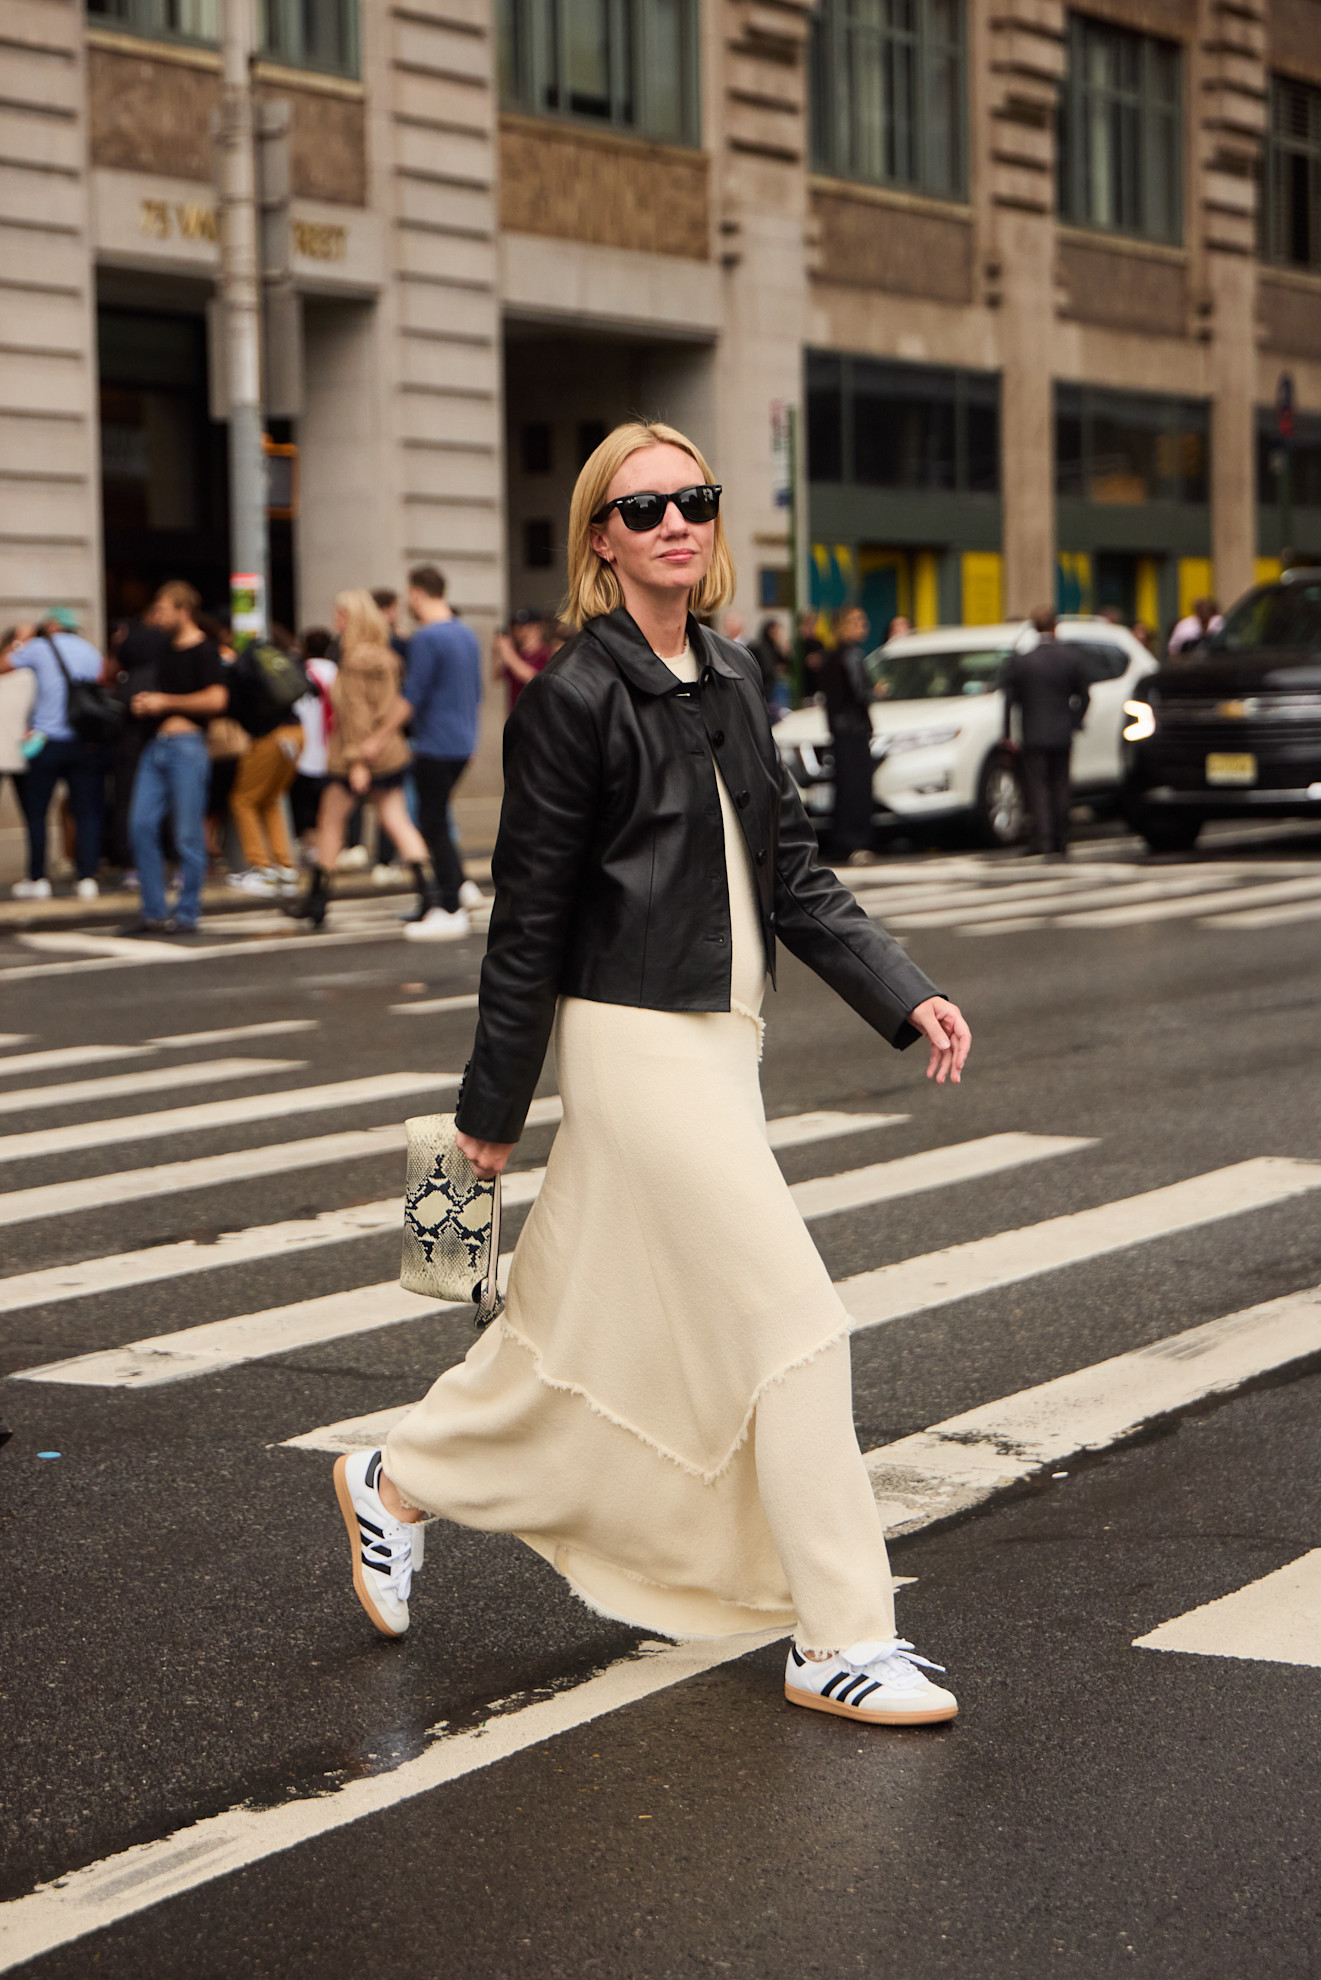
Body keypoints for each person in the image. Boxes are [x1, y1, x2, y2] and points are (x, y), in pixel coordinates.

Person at [332, 419, 972, 1729]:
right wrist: (488, 1117)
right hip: (631, 1045)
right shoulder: (571, 698)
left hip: (722, 1047)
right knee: (796, 1324)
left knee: (575, 1340)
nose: (674, 522)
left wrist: (902, 992)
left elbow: (789, 873)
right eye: (642, 509)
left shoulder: (733, 674)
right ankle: (838, 1634)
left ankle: (393, 1479)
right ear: (600, 543)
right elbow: (529, 919)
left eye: (693, 500)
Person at [284, 590, 444, 931]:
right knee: (396, 819)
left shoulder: (355, 659)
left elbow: (356, 714)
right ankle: (428, 893)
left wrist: (357, 761)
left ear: (352, 618)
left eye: (340, 615)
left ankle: (317, 900)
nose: (336, 621)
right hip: (387, 752)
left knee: (331, 822)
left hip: (355, 753)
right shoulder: (385, 657)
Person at [121, 581, 228, 934]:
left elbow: (216, 700)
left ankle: (186, 913)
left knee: (187, 834)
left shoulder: (206, 650)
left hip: (187, 746)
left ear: (183, 610)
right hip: (157, 745)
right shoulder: (163, 648)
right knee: (140, 825)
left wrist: (165, 702)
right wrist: (148, 703)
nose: (158, 616)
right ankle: (153, 910)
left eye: (164, 609)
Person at [0, 607, 107, 901]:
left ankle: (38, 878)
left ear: (52, 625)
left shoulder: (39, 647)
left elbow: (4, 665)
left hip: (47, 741)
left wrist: (20, 640)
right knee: (87, 813)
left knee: (37, 814)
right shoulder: (90, 650)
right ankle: (86, 877)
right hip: (84, 743)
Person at [401, 563, 483, 940]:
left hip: (433, 742)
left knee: (431, 822)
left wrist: (378, 735)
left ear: (417, 592)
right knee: (438, 819)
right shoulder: (466, 635)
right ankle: (458, 889)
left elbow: (412, 696)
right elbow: (477, 691)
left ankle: (449, 904)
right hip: (462, 741)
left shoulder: (427, 638)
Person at [1000, 606, 1091, 857]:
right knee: (1061, 784)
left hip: (1034, 732)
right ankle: (1062, 838)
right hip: (1062, 731)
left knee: (1038, 786)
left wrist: (1007, 734)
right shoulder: (1071, 658)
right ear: (1055, 626)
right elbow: (1084, 696)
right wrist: (1076, 721)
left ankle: (1044, 837)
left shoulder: (1022, 660)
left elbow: (1009, 700)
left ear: (1033, 628)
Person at [223, 626, 305, 894]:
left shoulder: (245, 662)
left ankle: (259, 866)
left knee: (243, 800)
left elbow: (233, 704)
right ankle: (284, 865)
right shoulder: (276, 657)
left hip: (269, 737)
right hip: (297, 733)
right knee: (270, 799)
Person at [819, 604, 877, 865]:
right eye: (855, 620)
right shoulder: (849, 656)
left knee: (846, 790)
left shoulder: (833, 656)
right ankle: (854, 842)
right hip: (853, 731)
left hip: (841, 732)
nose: (862, 624)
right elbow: (860, 693)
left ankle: (845, 842)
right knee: (856, 789)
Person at [290, 627, 336, 852]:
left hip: (303, 743)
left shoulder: (299, 671)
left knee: (302, 800)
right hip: (330, 744)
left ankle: (306, 841)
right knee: (326, 801)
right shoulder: (337, 672)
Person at [493, 608, 550, 714]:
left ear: (537, 628)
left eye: (524, 627)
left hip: (535, 717)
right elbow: (497, 676)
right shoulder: (518, 655)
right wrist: (496, 653)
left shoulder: (545, 654)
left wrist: (508, 652)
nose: (518, 631)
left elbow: (531, 678)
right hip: (515, 716)